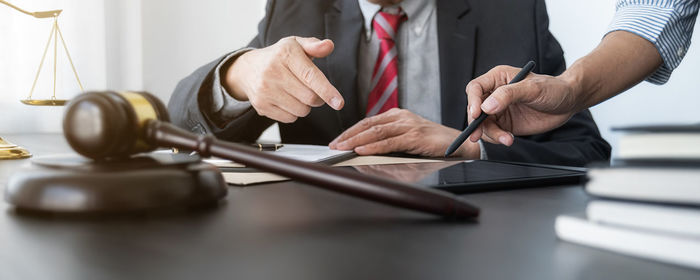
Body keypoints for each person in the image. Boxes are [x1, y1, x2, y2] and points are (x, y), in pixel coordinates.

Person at [168, 0, 611, 166]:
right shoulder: (296, 9)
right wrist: (240, 74)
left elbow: (586, 150)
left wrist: (466, 146)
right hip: (322, 242)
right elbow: (179, 128)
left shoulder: (509, 11)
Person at [465, 0, 699, 146]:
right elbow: (655, 8)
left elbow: (586, 147)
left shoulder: (519, 13)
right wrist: (570, 88)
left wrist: (571, 87)